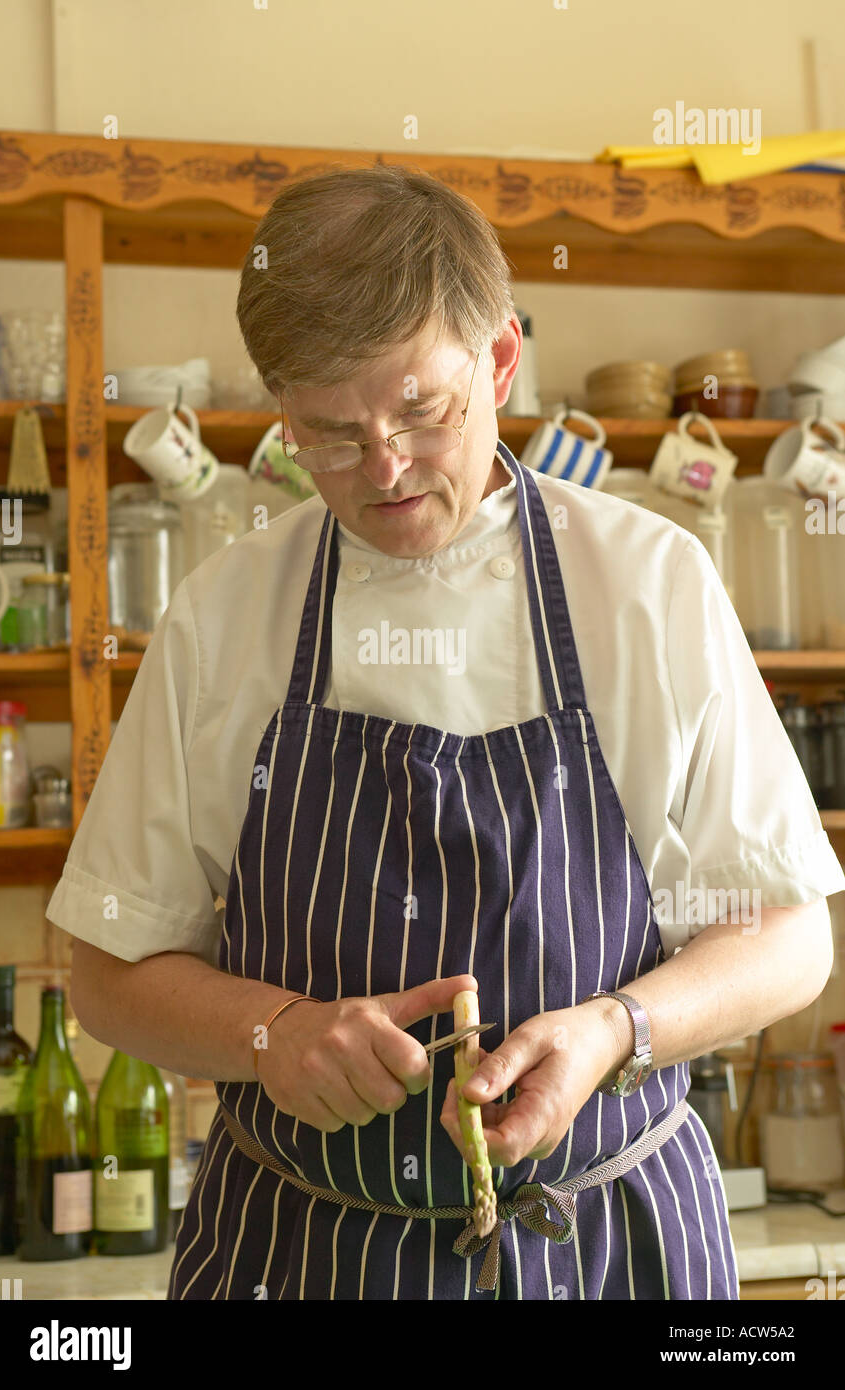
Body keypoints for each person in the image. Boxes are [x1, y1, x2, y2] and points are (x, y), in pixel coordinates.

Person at [47, 164, 845, 1301]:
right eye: (328, 432)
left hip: (610, 1251)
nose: (383, 470)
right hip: (303, 1256)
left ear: (501, 361)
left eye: (422, 411)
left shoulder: (648, 583)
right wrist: (274, 1032)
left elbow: (788, 935)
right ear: (281, 412)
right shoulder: (224, 614)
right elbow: (107, 969)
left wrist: (618, 1029)